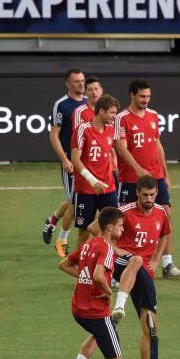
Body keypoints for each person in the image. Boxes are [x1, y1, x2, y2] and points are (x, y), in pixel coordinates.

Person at [57, 206, 138, 359]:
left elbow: (63, 264)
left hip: (78, 310)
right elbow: (98, 275)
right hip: (95, 311)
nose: (123, 229)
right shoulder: (107, 248)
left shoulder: (87, 245)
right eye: (121, 225)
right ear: (109, 227)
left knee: (100, 333)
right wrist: (109, 292)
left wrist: (87, 280)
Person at [109, 175, 174, 359]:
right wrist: (118, 251)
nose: (148, 199)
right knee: (135, 260)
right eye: (144, 195)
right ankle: (119, 305)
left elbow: (166, 233)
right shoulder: (124, 212)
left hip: (144, 274)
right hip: (123, 264)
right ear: (136, 192)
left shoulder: (161, 212)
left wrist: (157, 259)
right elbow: (97, 230)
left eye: (152, 195)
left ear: (157, 193)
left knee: (151, 329)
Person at [114, 79, 180, 278]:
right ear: (132, 95)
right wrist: (138, 170)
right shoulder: (122, 118)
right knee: (124, 221)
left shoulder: (153, 115)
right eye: (142, 96)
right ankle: (121, 265)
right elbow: (120, 147)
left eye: (148, 96)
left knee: (165, 217)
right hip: (130, 179)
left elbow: (157, 145)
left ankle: (167, 264)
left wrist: (166, 174)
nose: (146, 100)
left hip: (157, 176)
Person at [42, 69, 86, 258]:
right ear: (68, 84)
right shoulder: (62, 105)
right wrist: (65, 159)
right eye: (76, 81)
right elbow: (54, 135)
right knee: (75, 203)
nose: (81, 84)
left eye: (82, 80)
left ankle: (52, 219)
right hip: (71, 161)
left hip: (89, 161)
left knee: (74, 200)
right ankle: (62, 240)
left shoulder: (89, 103)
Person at [71, 94, 119, 249]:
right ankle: (82, 267)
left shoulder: (112, 130)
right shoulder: (83, 129)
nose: (114, 116)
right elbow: (75, 159)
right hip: (86, 188)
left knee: (114, 227)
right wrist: (92, 180)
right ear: (101, 111)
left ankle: (108, 263)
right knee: (83, 229)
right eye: (112, 112)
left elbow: (114, 150)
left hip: (108, 187)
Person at [72, 76, 119, 196]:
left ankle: (54, 216)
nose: (94, 92)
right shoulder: (80, 113)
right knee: (74, 205)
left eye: (96, 89)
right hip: (86, 167)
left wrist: (114, 163)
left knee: (109, 210)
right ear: (85, 92)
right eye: (90, 89)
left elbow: (113, 144)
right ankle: (55, 215)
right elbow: (78, 141)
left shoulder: (110, 119)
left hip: (107, 168)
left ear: (101, 90)